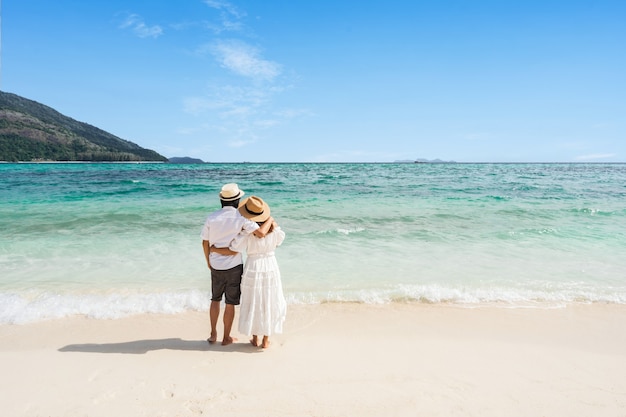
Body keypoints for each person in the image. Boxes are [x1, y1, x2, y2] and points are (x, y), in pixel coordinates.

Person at [200, 184, 271, 346]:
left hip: (215, 265)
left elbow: (205, 242)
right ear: (237, 200)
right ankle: (226, 337)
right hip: (233, 267)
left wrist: (208, 261)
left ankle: (213, 334)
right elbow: (260, 234)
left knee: (215, 299)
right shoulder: (241, 218)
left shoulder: (212, 217)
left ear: (221, 200)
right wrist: (270, 219)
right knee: (230, 302)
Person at [214, 196, 286, 349]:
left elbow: (234, 248)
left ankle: (255, 338)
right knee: (269, 300)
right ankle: (266, 340)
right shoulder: (274, 229)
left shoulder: (247, 233)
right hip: (271, 265)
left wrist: (214, 249)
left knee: (254, 301)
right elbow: (279, 240)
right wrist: (272, 221)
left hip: (253, 265)